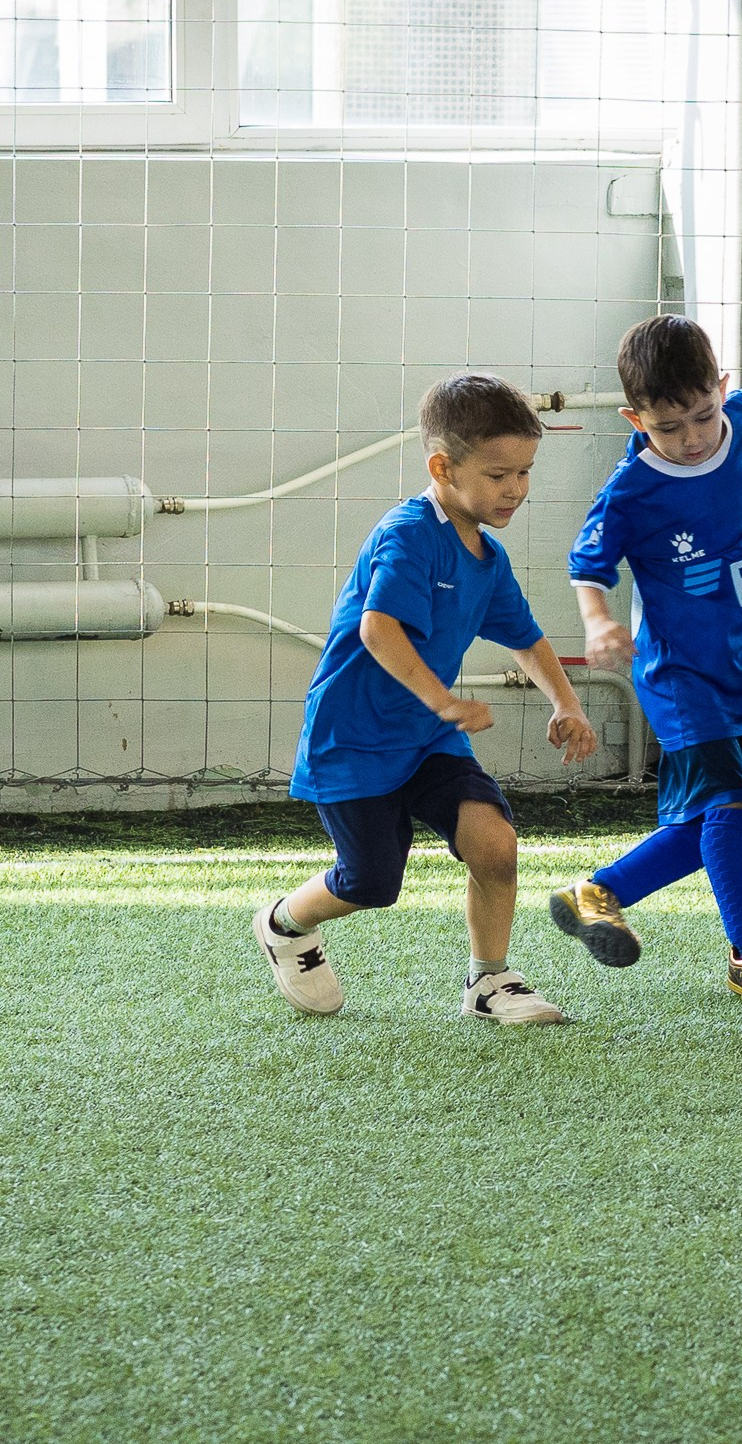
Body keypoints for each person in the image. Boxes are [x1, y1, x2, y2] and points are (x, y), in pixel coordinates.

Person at [549, 246, 742, 999]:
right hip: (683, 676)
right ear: (635, 419)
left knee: (722, 820)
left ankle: (594, 894)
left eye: (701, 415)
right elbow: (587, 563)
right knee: (731, 804)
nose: (691, 436)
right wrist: (596, 624)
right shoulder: (632, 491)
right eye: (669, 425)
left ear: (720, 391)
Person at [253, 374, 597, 1025]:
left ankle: (489, 982)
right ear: (443, 466)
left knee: (495, 844)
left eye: (525, 472)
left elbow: (526, 637)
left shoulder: (487, 559)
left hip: (429, 741)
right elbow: (377, 629)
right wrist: (444, 701)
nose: (517, 490)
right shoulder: (409, 535)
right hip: (352, 740)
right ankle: (283, 923)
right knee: (371, 883)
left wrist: (567, 703)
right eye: (500, 475)